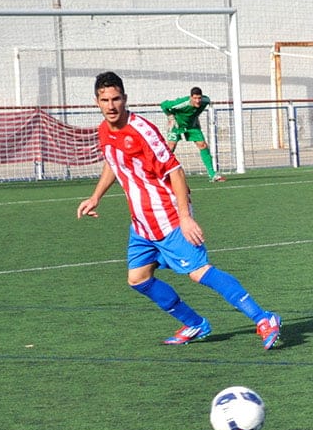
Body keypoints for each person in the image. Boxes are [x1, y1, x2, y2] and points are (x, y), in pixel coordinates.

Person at [78, 72, 280, 350]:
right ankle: (195, 324)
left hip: (168, 216)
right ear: (96, 102)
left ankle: (264, 318)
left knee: (199, 272)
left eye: (116, 99)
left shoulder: (142, 131)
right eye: (105, 100)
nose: (111, 106)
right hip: (141, 224)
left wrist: (185, 218)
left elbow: (175, 171)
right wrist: (95, 197)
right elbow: (113, 162)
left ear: (125, 99)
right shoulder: (104, 130)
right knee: (138, 279)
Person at [160, 87, 224, 182]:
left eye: (199, 98)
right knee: (171, 147)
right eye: (195, 98)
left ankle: (212, 174)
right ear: (191, 97)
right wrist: (170, 116)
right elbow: (163, 105)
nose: (197, 101)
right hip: (176, 124)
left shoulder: (206, 100)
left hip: (192, 125)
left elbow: (206, 102)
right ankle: (160, 172)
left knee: (203, 145)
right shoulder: (182, 103)